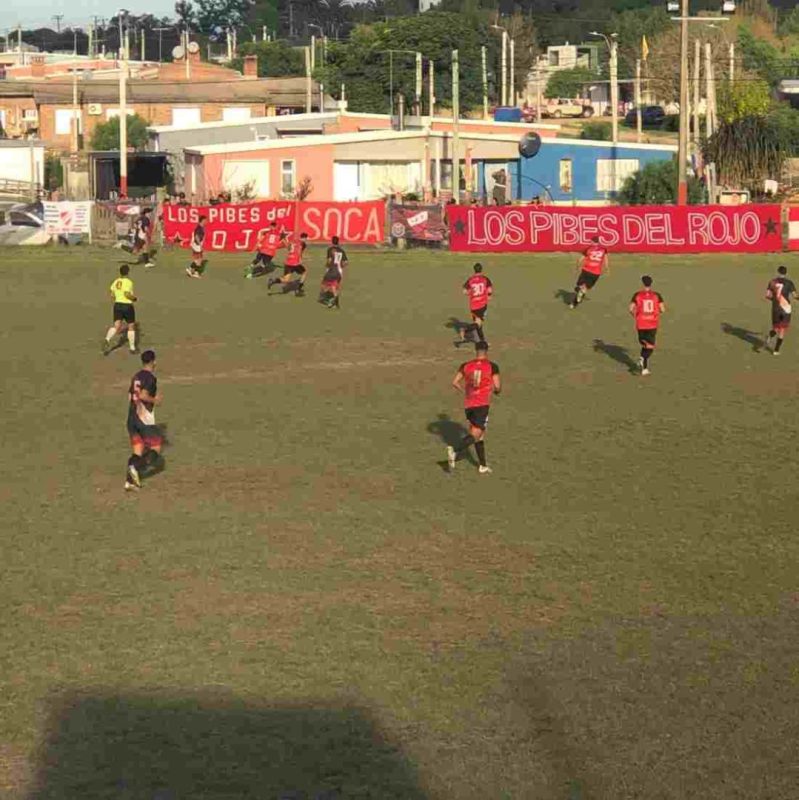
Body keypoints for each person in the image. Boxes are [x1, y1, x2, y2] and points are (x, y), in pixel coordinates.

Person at [447, 341, 501, 474]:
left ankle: (482, 465)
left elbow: (455, 382)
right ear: (486, 350)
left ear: (476, 350)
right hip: (481, 404)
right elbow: (498, 387)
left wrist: (466, 392)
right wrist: (495, 391)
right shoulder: (492, 366)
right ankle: (455, 451)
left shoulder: (466, 365)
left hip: (469, 404)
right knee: (476, 433)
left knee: (480, 435)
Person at [125, 349, 163, 491]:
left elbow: (130, 396)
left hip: (131, 417)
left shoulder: (136, 377)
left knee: (138, 451)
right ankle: (134, 468)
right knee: (156, 448)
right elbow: (143, 395)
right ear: (153, 362)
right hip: (143, 419)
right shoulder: (150, 378)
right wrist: (155, 400)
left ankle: (130, 482)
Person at [629, 275, 666, 376]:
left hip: (641, 323)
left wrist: (636, 316)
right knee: (649, 346)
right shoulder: (657, 295)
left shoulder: (637, 295)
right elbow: (662, 309)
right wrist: (655, 314)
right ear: (651, 283)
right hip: (652, 324)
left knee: (645, 345)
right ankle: (642, 360)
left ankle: (644, 368)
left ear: (642, 283)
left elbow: (631, 309)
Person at [102, 264, 138, 356]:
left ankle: (107, 339)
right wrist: (134, 298)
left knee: (116, 325)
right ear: (128, 272)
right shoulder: (128, 282)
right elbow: (127, 294)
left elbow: (112, 294)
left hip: (117, 305)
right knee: (131, 326)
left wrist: (117, 299)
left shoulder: (116, 281)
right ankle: (132, 348)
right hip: (127, 305)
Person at [765, 265, 797, 355]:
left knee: (775, 328)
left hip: (775, 308)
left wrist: (774, 299)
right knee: (782, 329)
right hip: (786, 309)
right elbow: (795, 296)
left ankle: (770, 337)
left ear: (778, 272)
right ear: (786, 273)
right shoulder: (789, 283)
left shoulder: (772, 282)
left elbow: (767, 295)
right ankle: (776, 350)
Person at [459, 262, 493, 345]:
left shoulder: (470, 280)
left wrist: (471, 294)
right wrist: (488, 295)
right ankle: (465, 330)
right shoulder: (485, 279)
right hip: (482, 305)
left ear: (474, 270)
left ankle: (482, 341)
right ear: (481, 269)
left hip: (473, 306)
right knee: (478, 324)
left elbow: (464, 291)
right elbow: (489, 290)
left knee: (478, 324)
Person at [570, 236, 608, 309]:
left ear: (593, 242)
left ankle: (579, 294)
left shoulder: (588, 249)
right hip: (596, 273)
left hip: (586, 270)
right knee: (586, 287)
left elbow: (580, 259)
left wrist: (577, 267)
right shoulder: (603, 249)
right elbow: (606, 259)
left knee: (579, 286)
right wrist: (606, 268)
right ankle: (577, 299)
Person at [269, 231, 308, 296]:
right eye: (306, 238)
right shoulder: (303, 244)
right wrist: (300, 259)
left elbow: (289, 248)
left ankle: (273, 281)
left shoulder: (293, 242)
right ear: (304, 238)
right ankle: (298, 289)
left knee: (286, 279)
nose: (306, 240)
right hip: (295, 263)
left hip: (288, 262)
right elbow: (300, 252)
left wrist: (283, 239)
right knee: (304, 272)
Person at [318, 235, 348, 309]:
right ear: (338, 242)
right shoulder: (342, 250)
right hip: (339, 271)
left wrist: (327, 266)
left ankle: (325, 299)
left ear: (332, 241)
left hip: (332, 269)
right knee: (334, 286)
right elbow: (346, 262)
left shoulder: (330, 249)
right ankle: (336, 302)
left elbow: (329, 260)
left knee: (324, 284)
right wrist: (341, 266)